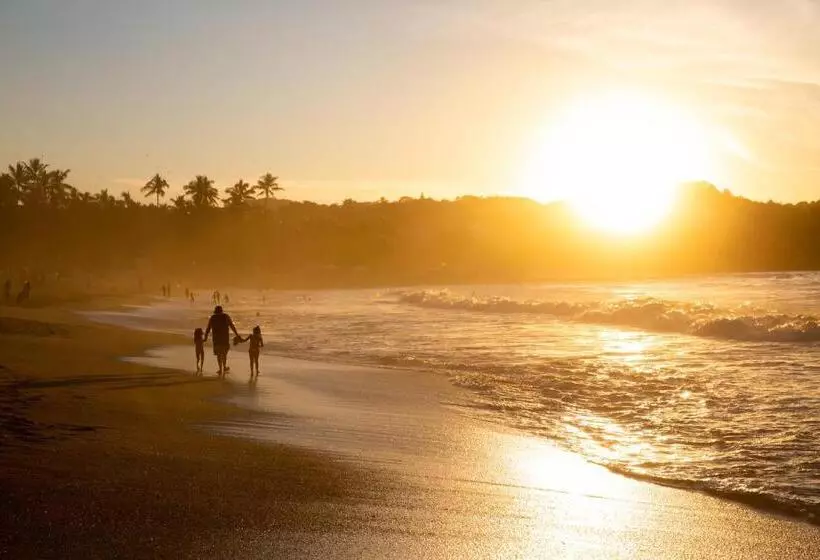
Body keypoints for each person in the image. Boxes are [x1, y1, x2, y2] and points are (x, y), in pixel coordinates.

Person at [203, 305, 240, 376]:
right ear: (221, 311)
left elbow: (208, 329)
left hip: (216, 339)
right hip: (224, 339)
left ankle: (220, 369)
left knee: (219, 354)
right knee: (224, 354)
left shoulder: (213, 317)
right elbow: (232, 326)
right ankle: (224, 366)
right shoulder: (226, 316)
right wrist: (237, 334)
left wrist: (205, 338)